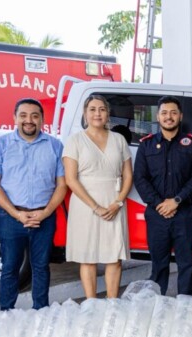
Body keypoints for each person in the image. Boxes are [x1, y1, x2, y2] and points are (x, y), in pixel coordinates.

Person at [0, 98, 67, 310]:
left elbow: (62, 184)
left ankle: (41, 311)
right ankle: (6, 312)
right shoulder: (0, 145)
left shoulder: (55, 146)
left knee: (41, 266)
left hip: (44, 218)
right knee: (10, 267)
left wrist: (45, 212)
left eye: (34, 116)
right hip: (10, 217)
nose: (28, 120)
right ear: (14, 118)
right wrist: (16, 214)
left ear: (42, 120)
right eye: (23, 115)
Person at [133, 96, 192, 296]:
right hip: (156, 214)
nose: (169, 117)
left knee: (187, 264)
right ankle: (156, 304)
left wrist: (176, 201)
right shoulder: (146, 145)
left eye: (173, 113)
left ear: (180, 116)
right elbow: (140, 178)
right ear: (158, 116)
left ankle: (187, 306)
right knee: (158, 264)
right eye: (164, 113)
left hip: (184, 213)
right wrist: (160, 204)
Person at [62, 94, 133, 299]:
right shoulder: (75, 140)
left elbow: (128, 176)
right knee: (88, 257)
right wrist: (95, 207)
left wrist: (118, 202)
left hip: (114, 202)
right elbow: (71, 179)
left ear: (108, 114)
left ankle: (113, 303)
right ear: (85, 113)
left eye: (102, 109)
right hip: (85, 205)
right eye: (92, 109)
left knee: (114, 256)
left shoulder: (119, 140)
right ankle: (91, 304)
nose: (97, 114)